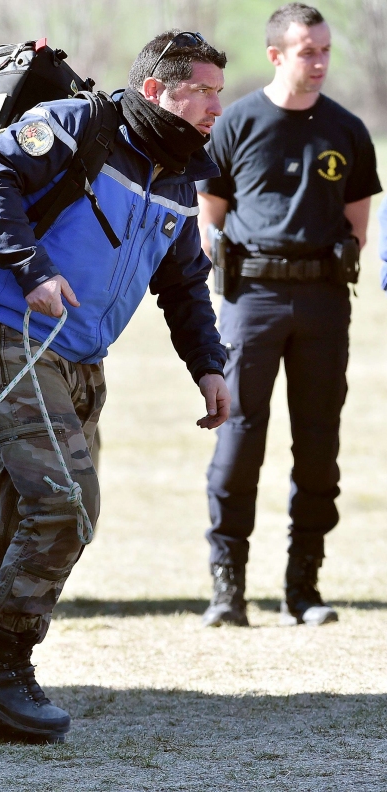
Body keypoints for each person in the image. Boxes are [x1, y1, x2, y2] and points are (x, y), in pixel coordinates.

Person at [0, 31, 230, 743]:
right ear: (154, 91)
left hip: (81, 362)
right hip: (10, 336)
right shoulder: (80, 127)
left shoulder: (177, 174)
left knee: (37, 515)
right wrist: (31, 267)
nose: (214, 107)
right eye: (201, 91)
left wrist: (210, 367)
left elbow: (184, 284)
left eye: (217, 94)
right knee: (67, 504)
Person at [198, 3, 380, 629]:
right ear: (277, 54)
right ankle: (228, 590)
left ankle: (303, 588)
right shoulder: (239, 123)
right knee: (238, 441)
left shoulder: (348, 130)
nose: (320, 61)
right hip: (252, 302)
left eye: (325, 49)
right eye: (308, 50)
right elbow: (209, 218)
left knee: (318, 449)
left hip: (325, 304)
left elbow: (359, 225)